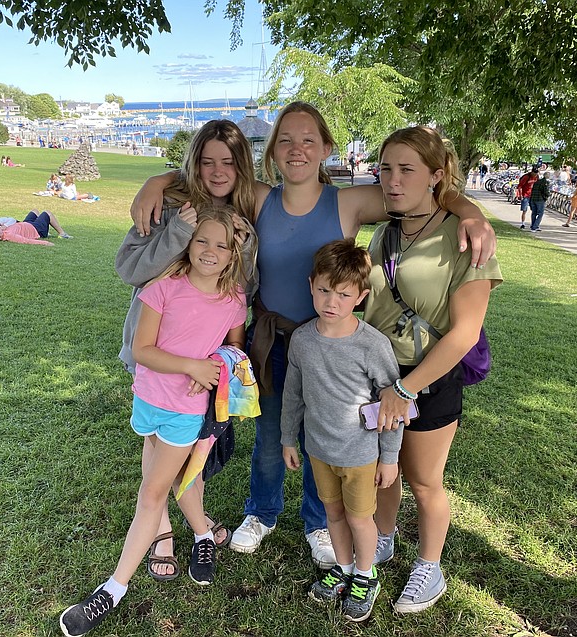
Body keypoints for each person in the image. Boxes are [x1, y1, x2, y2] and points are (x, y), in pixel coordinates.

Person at [130, 101, 497, 570]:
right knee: (269, 433)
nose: (297, 149)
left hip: (329, 345)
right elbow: (207, 181)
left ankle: (317, 521)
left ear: (327, 147)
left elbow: (417, 191)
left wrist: (469, 210)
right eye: (285, 139)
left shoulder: (349, 201)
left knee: (320, 436)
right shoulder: (259, 197)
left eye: (308, 140)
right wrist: (156, 181)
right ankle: (260, 513)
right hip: (270, 339)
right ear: (272, 152)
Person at [59, 207, 250, 637]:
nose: (210, 251)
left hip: (187, 408)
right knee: (178, 484)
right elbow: (143, 349)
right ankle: (203, 536)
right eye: (202, 240)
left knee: (153, 493)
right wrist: (192, 365)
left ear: (233, 251)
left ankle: (112, 589)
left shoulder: (235, 298)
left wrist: (213, 366)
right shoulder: (163, 288)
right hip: (147, 400)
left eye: (222, 244)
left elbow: (236, 347)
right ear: (188, 241)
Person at [363, 126, 502, 614]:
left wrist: (405, 388)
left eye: (406, 170)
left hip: (426, 377)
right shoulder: (387, 232)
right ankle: (384, 537)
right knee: (385, 471)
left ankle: (430, 567)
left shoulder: (464, 237)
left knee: (423, 479)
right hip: (378, 374)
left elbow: (464, 334)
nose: (392, 181)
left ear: (435, 176)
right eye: (385, 169)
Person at [115, 119, 259, 579]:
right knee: (155, 448)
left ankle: (193, 522)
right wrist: (176, 223)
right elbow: (129, 268)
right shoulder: (165, 204)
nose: (217, 171)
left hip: (205, 364)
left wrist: (241, 243)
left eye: (229, 161)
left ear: (242, 166)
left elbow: (243, 292)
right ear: (192, 161)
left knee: (190, 447)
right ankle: (161, 532)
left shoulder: (244, 219)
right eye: (206, 160)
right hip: (155, 349)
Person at [281, 239, 402, 622]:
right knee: (333, 514)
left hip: (361, 455)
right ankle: (344, 568)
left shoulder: (373, 346)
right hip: (319, 450)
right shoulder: (301, 340)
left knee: (359, 518)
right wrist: (288, 437)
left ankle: (367, 576)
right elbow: (293, 394)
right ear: (311, 284)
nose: (331, 302)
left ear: (361, 296)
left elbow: (393, 408)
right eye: (323, 290)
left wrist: (390, 457)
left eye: (344, 294)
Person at [0, 210, 72, 245]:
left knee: (34, 211)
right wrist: (45, 243)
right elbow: (26, 241)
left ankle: (45, 228)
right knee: (47, 213)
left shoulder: (2, 229)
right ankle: (62, 233)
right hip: (36, 229)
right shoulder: (9, 236)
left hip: (26, 224)